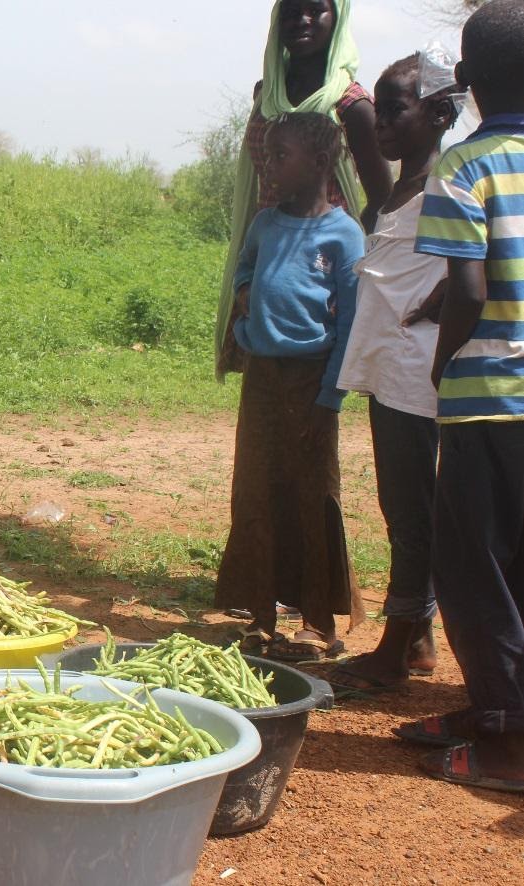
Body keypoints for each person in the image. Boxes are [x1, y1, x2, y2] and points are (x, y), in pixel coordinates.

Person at [398, 0, 524, 793]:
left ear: (466, 83)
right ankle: (492, 712)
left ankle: (507, 744)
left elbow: (467, 292)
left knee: (473, 568)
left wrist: (444, 368)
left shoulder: (462, 167)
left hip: (485, 401)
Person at [329, 52, 461, 693]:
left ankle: (395, 646)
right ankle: (421, 637)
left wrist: (442, 302)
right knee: (403, 507)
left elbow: (480, 262)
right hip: (390, 370)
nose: (380, 122)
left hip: (417, 376)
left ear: (439, 114)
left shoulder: (448, 186)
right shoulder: (401, 190)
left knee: (410, 514)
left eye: (394, 109)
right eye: (377, 110)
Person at [214, 112, 365, 662]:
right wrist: (245, 306)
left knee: (311, 496)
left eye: (282, 156)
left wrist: (330, 398)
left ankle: (317, 621)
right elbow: (244, 270)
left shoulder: (344, 235)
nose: (270, 166)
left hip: (312, 382)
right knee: (256, 489)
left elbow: (351, 323)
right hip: (263, 380)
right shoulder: (265, 224)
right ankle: (258, 616)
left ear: (322, 164)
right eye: (268, 155)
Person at [215, 0, 391, 382]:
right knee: (265, 388)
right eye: (291, 11)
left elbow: (382, 200)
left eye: (316, 10)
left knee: (312, 389)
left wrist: (341, 264)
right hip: (266, 261)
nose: (302, 20)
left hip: (319, 274)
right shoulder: (267, 95)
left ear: (338, 19)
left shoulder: (352, 106)